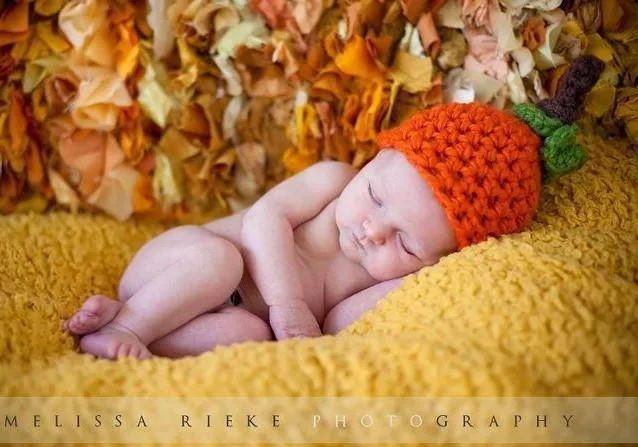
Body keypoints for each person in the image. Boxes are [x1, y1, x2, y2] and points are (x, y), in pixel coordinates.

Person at [62, 56, 603, 361]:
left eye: (407, 242)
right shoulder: (332, 179)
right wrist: (288, 305)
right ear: (374, 160)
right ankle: (133, 321)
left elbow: (343, 321)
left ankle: (132, 334)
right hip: (179, 263)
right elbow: (262, 220)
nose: (372, 230)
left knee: (247, 340)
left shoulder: (384, 277)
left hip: (217, 317)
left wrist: (402, 284)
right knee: (220, 263)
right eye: (375, 196)